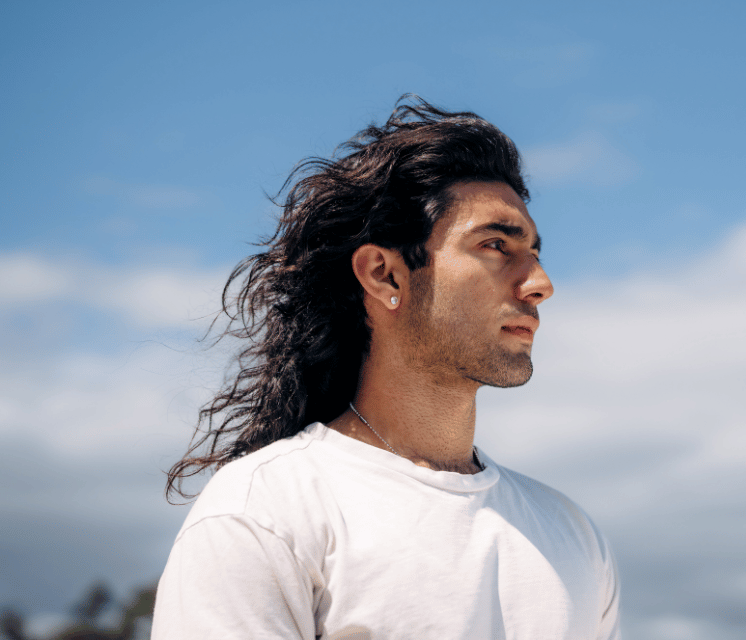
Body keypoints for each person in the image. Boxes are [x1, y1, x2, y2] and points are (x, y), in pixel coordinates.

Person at [152, 97, 621, 639]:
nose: (540, 283)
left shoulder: (572, 536)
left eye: (535, 253)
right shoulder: (268, 510)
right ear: (385, 275)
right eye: (496, 245)